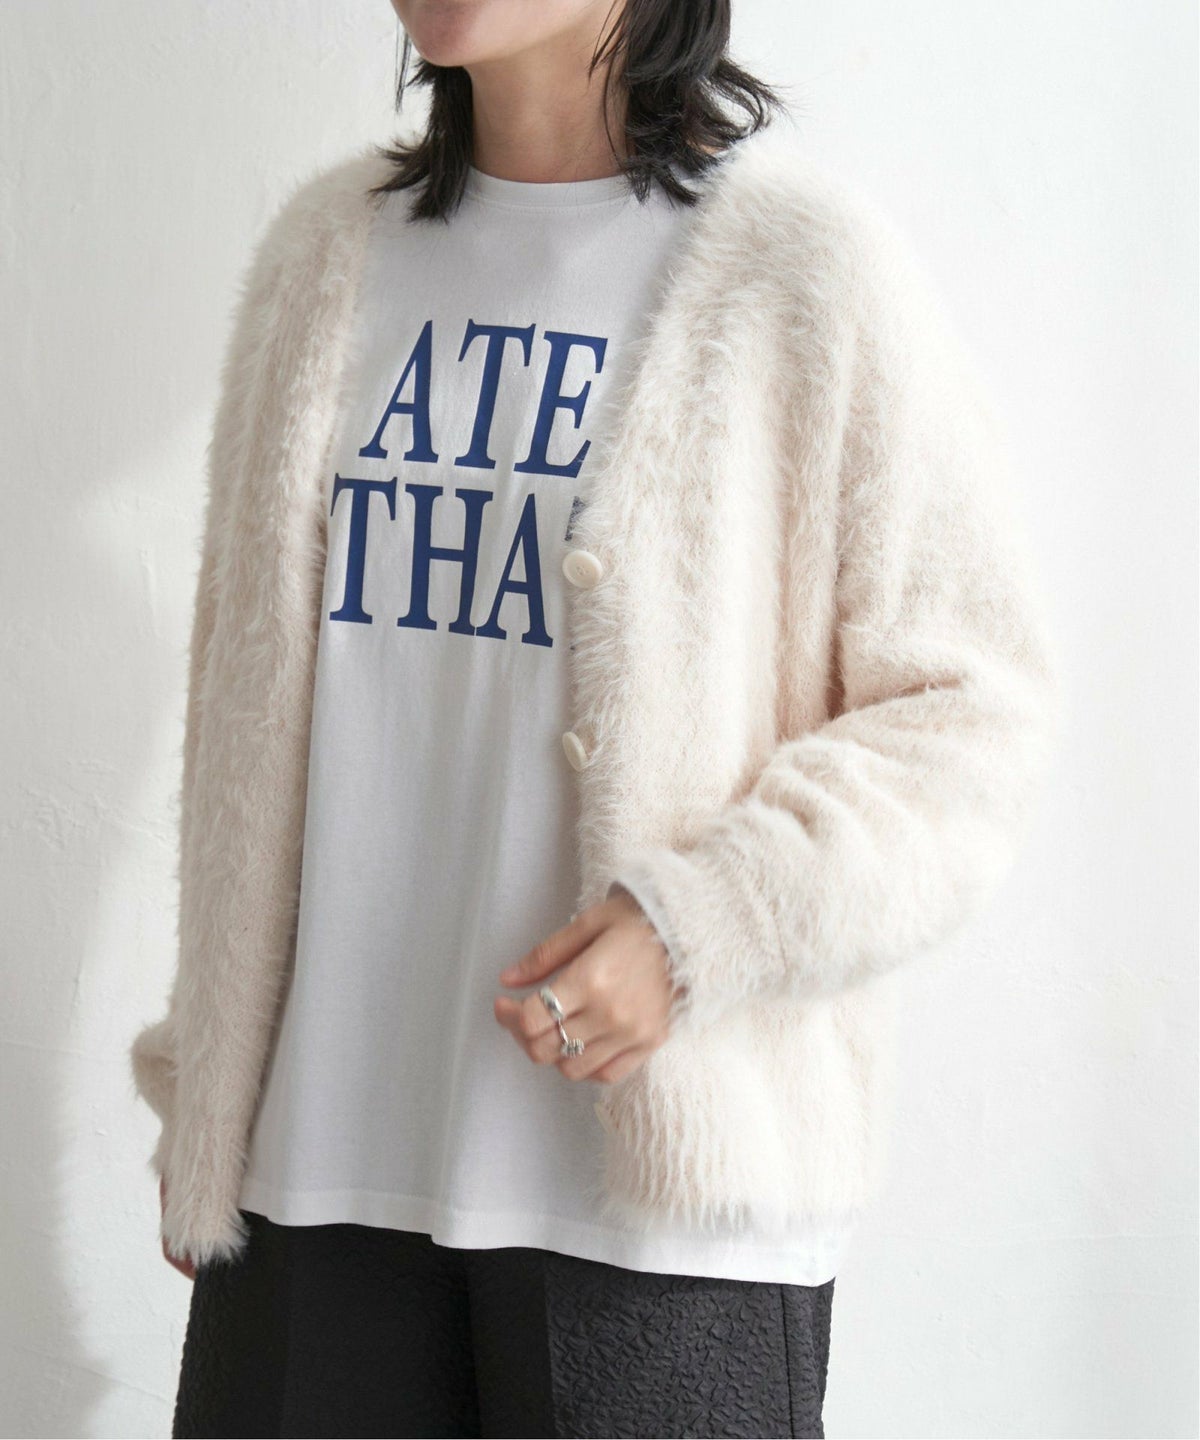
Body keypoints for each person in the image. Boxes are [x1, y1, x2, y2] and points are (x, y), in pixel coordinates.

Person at [128, 1, 1063, 1436]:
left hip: (655, 1227)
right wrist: (208, 1094)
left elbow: (970, 712)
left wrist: (700, 927)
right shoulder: (326, 255)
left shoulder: (801, 272)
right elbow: (250, 737)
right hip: (315, 1184)